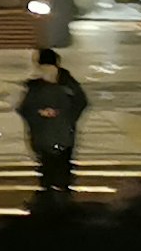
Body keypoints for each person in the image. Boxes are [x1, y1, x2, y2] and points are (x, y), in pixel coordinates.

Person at [16, 48, 89, 197]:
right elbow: (81, 102)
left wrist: (40, 114)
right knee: (61, 168)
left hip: (45, 135)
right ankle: (62, 197)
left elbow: (24, 108)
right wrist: (66, 118)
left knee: (49, 170)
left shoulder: (36, 87)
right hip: (62, 135)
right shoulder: (68, 84)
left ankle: (50, 198)